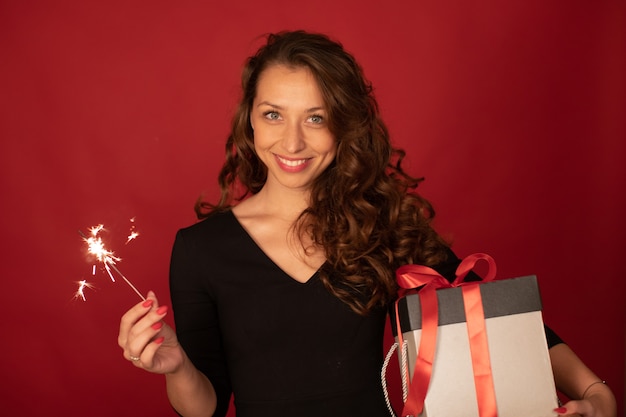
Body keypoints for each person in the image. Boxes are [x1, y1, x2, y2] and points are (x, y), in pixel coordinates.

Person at [117, 30, 617, 417]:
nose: (291, 143)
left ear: (344, 123)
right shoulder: (200, 250)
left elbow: (492, 318)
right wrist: (177, 366)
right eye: (273, 114)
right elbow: (203, 407)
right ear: (249, 118)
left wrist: (597, 393)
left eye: (315, 118)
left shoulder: (378, 223)